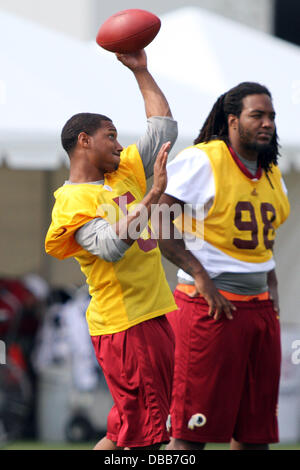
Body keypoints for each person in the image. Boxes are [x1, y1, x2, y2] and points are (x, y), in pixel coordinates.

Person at [45, 49, 178, 450]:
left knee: (125, 432)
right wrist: (154, 193)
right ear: (84, 141)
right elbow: (109, 246)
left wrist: (141, 71)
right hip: (127, 325)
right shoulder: (70, 201)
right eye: (111, 135)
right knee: (150, 439)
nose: (120, 144)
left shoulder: (122, 170)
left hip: (152, 313)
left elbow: (164, 129)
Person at [157, 82, 290, 450]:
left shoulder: (271, 171)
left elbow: (264, 240)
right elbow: (159, 220)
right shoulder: (203, 158)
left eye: (271, 116)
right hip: (210, 308)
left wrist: (272, 285)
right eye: (257, 115)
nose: (267, 123)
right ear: (233, 121)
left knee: (254, 437)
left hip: (259, 309)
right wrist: (200, 274)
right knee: (189, 436)